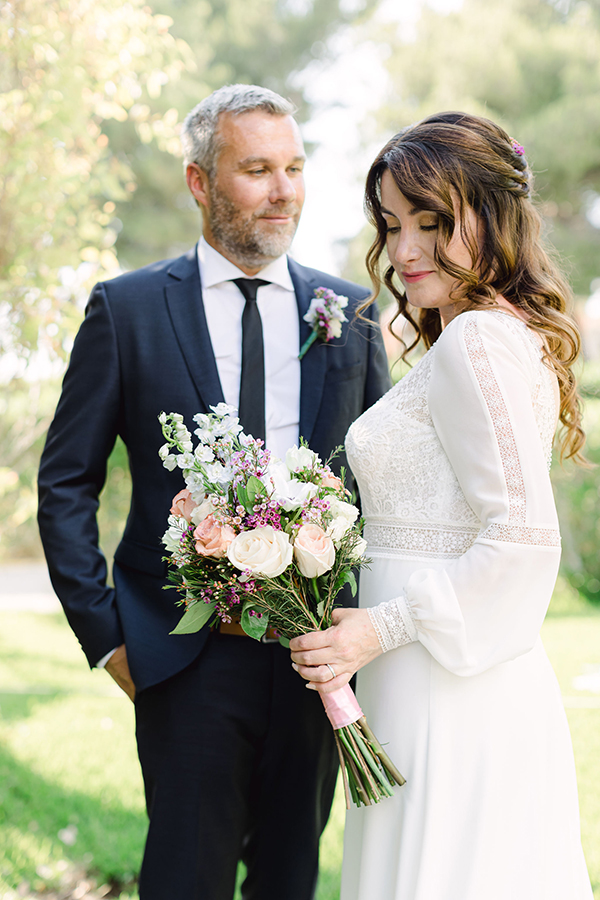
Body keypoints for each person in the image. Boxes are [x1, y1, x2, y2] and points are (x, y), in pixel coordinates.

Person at [37, 84, 390, 900]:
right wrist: (110, 640)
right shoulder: (126, 311)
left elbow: (380, 489)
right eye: (257, 169)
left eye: (295, 168)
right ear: (200, 182)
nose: (284, 191)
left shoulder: (352, 312)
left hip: (314, 661)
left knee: (290, 877)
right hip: (180, 656)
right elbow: (65, 485)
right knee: (184, 878)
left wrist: (363, 630)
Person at [290, 112, 594, 900]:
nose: (404, 250)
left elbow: (524, 541)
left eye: (432, 222)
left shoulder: (475, 341)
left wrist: (374, 629)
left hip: (445, 688)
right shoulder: (487, 332)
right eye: (392, 225)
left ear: (492, 215)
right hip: (430, 676)